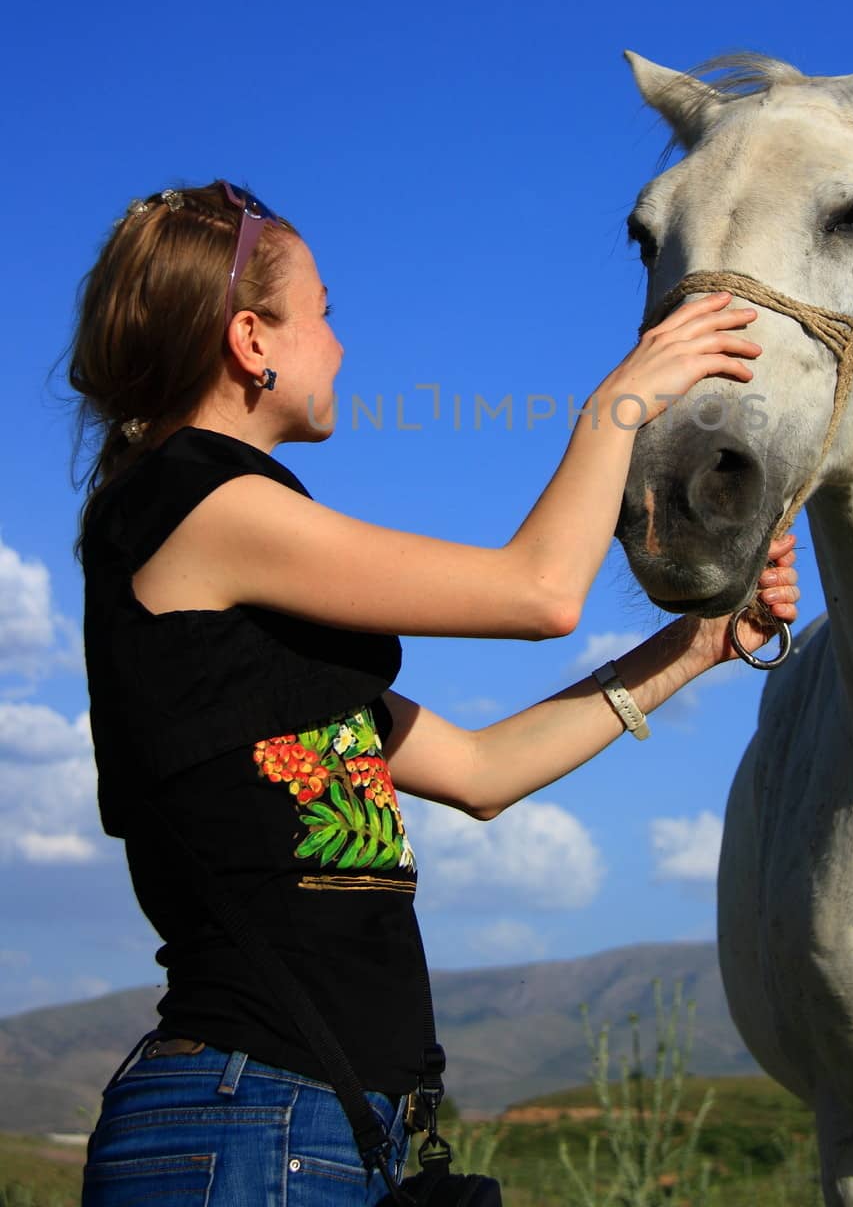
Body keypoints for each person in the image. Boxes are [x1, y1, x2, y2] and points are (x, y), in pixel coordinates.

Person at [68, 180, 799, 1206]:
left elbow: (480, 771)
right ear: (250, 339)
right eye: (322, 312)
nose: (338, 342)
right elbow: (539, 590)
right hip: (243, 1123)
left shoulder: (256, 607)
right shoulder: (189, 503)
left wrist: (695, 646)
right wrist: (622, 399)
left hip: (313, 1124)